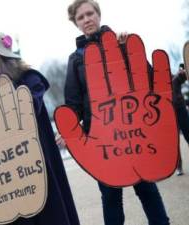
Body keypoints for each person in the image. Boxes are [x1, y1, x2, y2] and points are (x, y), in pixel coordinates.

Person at [64, 0, 170, 224]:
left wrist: (126, 47)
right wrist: (70, 130)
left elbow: (147, 81)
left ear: (98, 14)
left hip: (134, 130)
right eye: (81, 17)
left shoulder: (122, 42)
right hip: (101, 138)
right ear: (76, 23)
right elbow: (73, 102)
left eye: (90, 13)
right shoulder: (75, 60)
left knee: (146, 187)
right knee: (111, 195)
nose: (87, 19)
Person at [0, 32, 80, 225]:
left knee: (46, 214)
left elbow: (30, 107)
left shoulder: (30, 78)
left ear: (1, 52)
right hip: (6, 166)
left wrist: (6, 91)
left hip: (34, 161)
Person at [172, 63, 189, 176]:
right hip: (168, 114)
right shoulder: (154, 82)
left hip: (180, 109)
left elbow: (183, 76)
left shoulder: (174, 78)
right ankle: (179, 167)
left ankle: (179, 168)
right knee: (174, 142)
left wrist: (183, 71)